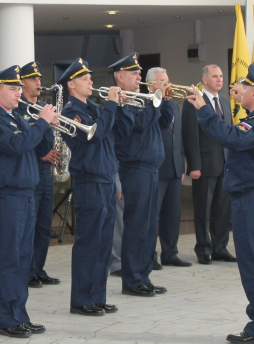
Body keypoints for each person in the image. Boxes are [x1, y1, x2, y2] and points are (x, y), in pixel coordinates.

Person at [187, 64, 254, 344]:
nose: (239, 91)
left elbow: (227, 136)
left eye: (244, 88)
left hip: (253, 201)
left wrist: (204, 109)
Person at [0, 65, 56, 338]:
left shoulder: (18, 116)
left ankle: (19, 314)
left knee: (23, 258)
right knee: (8, 258)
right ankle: (6, 319)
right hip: (7, 195)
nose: (18, 93)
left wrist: (46, 125)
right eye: (12, 88)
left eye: (19, 88)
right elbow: (16, 146)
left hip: (25, 194)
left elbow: (42, 149)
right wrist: (42, 123)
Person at [59, 59, 120, 316]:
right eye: (85, 79)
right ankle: (81, 299)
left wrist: (119, 106)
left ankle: (98, 296)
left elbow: (113, 133)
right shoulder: (72, 111)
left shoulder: (94, 107)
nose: (91, 82)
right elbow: (95, 134)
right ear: (71, 84)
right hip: (89, 181)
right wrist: (114, 104)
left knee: (104, 242)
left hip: (105, 178)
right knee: (89, 242)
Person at [111, 53, 171, 297]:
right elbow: (139, 125)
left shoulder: (145, 98)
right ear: (120, 76)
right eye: (134, 73)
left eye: (139, 73)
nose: (139, 77)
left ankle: (143, 275)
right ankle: (132, 279)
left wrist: (164, 99)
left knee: (148, 226)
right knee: (136, 225)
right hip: (135, 168)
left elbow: (165, 122)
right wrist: (155, 101)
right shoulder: (123, 100)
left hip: (152, 168)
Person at [181, 64, 236, 265]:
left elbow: (227, 131)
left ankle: (220, 248)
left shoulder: (224, 101)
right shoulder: (194, 101)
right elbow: (190, 135)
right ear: (205, 80)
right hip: (204, 164)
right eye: (215, 76)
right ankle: (203, 248)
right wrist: (194, 165)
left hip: (224, 162)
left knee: (222, 208)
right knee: (203, 208)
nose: (219, 80)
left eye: (221, 76)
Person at [15, 61, 60, 288]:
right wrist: (40, 155)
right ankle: (27, 271)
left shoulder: (44, 106)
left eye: (39, 79)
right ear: (22, 82)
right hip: (31, 168)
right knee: (29, 225)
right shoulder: (18, 109)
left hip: (46, 173)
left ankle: (38, 269)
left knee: (44, 224)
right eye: (33, 79)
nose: (38, 83)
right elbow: (21, 142)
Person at [146, 68, 191, 268]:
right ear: (151, 85)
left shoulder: (173, 104)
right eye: (162, 81)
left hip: (173, 166)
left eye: (167, 80)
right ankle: (149, 256)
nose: (167, 84)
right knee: (153, 213)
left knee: (173, 214)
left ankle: (170, 252)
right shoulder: (147, 104)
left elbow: (177, 136)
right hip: (156, 166)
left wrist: (181, 164)